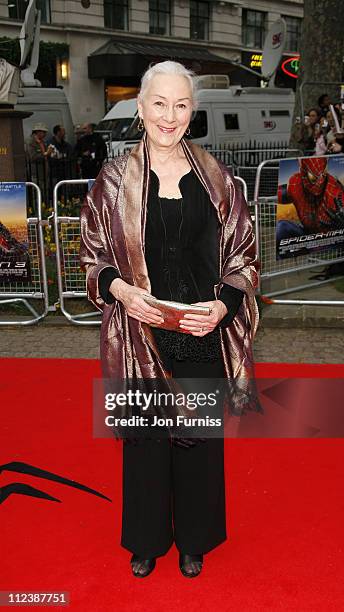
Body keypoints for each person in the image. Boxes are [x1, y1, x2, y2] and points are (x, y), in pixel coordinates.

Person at [79, 61, 260, 579]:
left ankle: (195, 539)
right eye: (159, 103)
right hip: (138, 333)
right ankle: (147, 539)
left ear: (192, 112)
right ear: (140, 107)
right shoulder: (112, 182)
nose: (169, 115)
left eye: (181, 105)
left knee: (198, 440)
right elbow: (92, 256)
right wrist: (119, 291)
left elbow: (244, 257)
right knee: (146, 443)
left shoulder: (219, 179)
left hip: (201, 331)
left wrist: (224, 306)